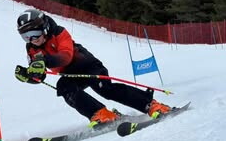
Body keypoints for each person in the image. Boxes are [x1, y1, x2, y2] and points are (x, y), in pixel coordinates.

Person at [14, 8, 172, 128]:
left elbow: (65, 56)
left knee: (105, 89)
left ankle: (151, 104)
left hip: (88, 65)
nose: (32, 39)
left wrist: (45, 60)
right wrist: (30, 76)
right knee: (64, 87)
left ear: (44, 26)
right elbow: (40, 74)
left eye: (34, 33)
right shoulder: (31, 49)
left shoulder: (59, 32)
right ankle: (100, 114)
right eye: (26, 36)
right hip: (70, 74)